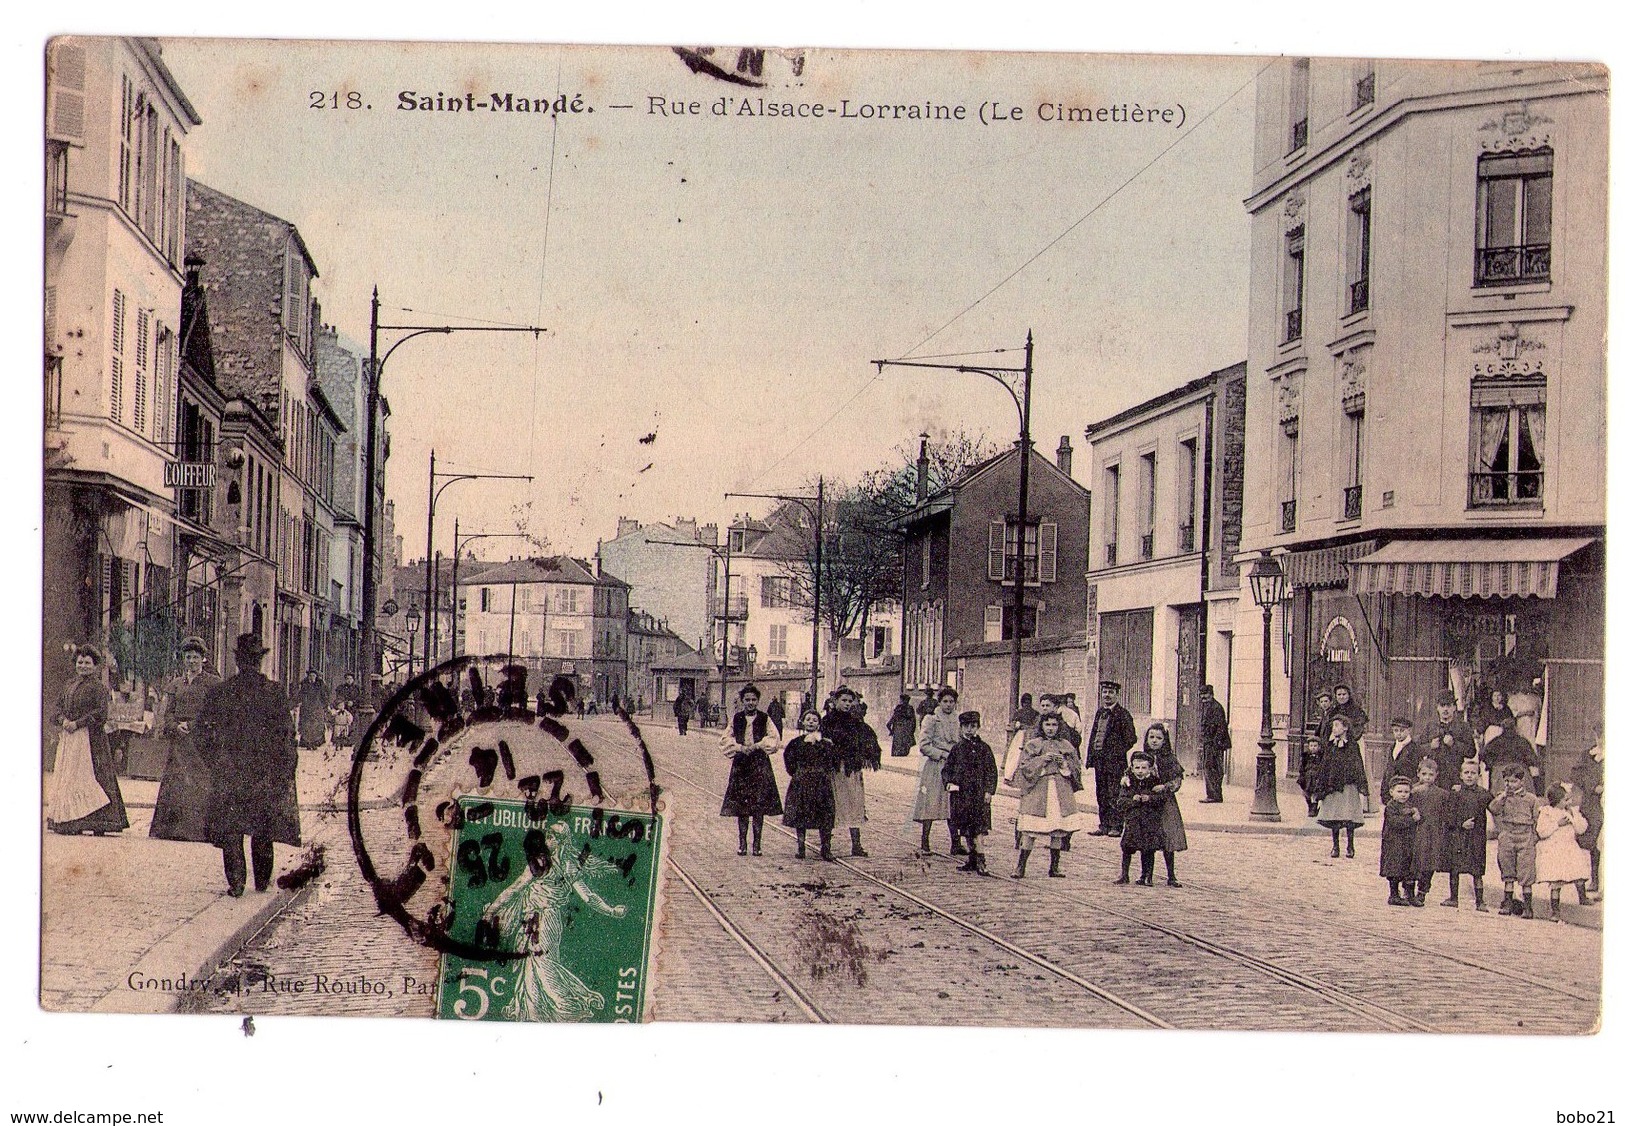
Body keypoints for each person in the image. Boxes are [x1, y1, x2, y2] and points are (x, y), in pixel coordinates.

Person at [479, 819, 628, 1021]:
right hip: (531, 920)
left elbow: (588, 896)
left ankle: (570, 1005)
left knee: (542, 963)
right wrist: (493, 910)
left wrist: (611, 911)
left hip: (545, 920)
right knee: (531, 967)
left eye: (553, 835)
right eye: (547, 833)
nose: (547, 838)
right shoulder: (544, 863)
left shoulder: (564, 866)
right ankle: (536, 1014)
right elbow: (516, 889)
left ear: (562, 841)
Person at [195, 633, 300, 896]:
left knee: (231, 827)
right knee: (262, 827)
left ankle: (237, 882)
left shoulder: (221, 692)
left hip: (230, 770)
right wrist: (284, 769)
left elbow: (201, 733)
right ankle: (262, 882)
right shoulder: (274, 692)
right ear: (259, 661)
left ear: (237, 661)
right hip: (263, 772)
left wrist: (215, 761)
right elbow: (286, 735)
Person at [46, 645, 128, 836]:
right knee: (69, 777)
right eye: (80, 662)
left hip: (91, 740)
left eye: (87, 663)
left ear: (95, 666)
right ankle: (70, 819)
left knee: (91, 776)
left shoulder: (97, 687)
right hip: (69, 738)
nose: (83, 666)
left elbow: (101, 714)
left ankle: (97, 820)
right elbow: (56, 709)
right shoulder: (69, 685)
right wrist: (64, 721)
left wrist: (78, 723)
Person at [150, 636, 221, 842]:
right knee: (177, 783)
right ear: (183, 659)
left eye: (195, 657)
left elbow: (214, 712)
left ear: (203, 659)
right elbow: (168, 713)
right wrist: (174, 725)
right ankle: (174, 830)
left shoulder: (212, 684)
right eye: (188, 657)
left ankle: (199, 831)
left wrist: (192, 725)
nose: (191, 661)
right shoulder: (175, 685)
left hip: (201, 742)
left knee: (200, 783)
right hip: (179, 742)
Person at [1007, 713, 1085, 878]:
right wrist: (1042, 760)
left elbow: (1076, 769)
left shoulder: (1066, 745)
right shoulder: (1033, 745)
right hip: (1039, 790)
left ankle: (1054, 867)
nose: (1051, 728)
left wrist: (1064, 764)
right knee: (1031, 829)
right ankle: (1020, 866)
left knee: (1057, 829)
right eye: (1047, 725)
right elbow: (1025, 767)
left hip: (1060, 790)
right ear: (1041, 726)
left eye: (1054, 725)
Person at [719, 684, 782, 857]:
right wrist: (739, 747)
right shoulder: (737, 718)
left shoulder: (764, 718)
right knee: (742, 807)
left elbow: (774, 739)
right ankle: (742, 844)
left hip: (760, 765)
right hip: (741, 765)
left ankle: (757, 845)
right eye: (747, 700)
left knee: (758, 806)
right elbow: (725, 739)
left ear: (758, 701)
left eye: (754, 700)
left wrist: (758, 745)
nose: (750, 703)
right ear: (742, 701)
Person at [823, 686, 882, 857]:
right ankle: (826, 845)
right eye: (844, 701)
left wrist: (867, 753)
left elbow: (869, 738)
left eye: (850, 701)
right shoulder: (827, 721)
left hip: (851, 770)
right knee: (832, 805)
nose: (847, 704)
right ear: (835, 701)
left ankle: (856, 844)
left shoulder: (856, 722)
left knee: (855, 804)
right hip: (833, 770)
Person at [942, 711, 997, 876]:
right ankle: (972, 859)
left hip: (979, 796)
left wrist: (989, 790)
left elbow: (991, 771)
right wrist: (949, 783)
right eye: (966, 726)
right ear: (961, 728)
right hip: (962, 796)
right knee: (966, 828)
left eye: (973, 726)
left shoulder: (984, 748)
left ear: (978, 727)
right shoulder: (957, 749)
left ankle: (981, 861)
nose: (969, 730)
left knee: (979, 829)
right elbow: (947, 770)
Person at [782, 709, 835, 861]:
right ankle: (801, 846)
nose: (811, 722)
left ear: (819, 724)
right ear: (803, 722)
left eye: (814, 720)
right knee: (801, 814)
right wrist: (798, 773)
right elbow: (789, 761)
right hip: (802, 782)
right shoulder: (796, 743)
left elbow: (832, 762)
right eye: (808, 719)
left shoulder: (825, 743)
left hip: (821, 783)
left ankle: (826, 848)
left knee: (825, 816)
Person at [1441, 758, 1494, 910]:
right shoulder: (1455, 794)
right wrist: (1460, 824)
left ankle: (1480, 901)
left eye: (1473, 773)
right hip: (1458, 836)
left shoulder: (1483, 794)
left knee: (1477, 869)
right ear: (1461, 775)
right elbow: (1448, 816)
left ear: (1478, 776)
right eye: (1466, 773)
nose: (1469, 776)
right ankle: (1453, 898)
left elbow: (1495, 808)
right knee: (1455, 867)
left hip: (1476, 837)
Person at [1085, 680, 1136, 836]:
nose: (1107, 695)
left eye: (1110, 692)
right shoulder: (1100, 712)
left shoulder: (1123, 714)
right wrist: (1090, 757)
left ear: (1117, 695)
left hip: (1115, 763)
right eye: (1105, 692)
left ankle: (1116, 826)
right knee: (1101, 793)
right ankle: (1104, 825)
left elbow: (1131, 738)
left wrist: (1116, 752)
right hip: (1100, 761)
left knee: (1115, 793)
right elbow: (1094, 735)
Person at [1313, 714, 1368, 858]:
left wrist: (1358, 782)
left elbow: (1357, 764)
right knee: (1334, 817)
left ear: (1345, 727)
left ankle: (1350, 846)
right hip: (1333, 786)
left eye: (1337, 725)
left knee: (1349, 817)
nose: (1334, 729)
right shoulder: (1330, 745)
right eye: (1333, 726)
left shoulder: (1352, 745)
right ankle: (1335, 846)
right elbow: (1325, 765)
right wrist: (1322, 784)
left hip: (1348, 786)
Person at [1140, 723, 1188, 887]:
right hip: (1147, 802)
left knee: (1168, 837)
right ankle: (1145, 874)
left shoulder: (1170, 759)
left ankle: (1171, 875)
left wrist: (1165, 787)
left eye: (1159, 738)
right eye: (1151, 737)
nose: (1154, 741)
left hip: (1165, 803)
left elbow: (1177, 780)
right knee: (1147, 837)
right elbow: (1131, 771)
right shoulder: (1142, 757)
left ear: (1164, 740)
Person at [1535, 783, 1591, 923]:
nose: (1569, 802)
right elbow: (1542, 832)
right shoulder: (1546, 812)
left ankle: (1582, 897)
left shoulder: (1571, 812)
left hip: (1571, 847)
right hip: (1555, 850)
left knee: (1579, 872)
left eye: (1569, 799)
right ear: (1556, 801)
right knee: (1556, 880)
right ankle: (1555, 910)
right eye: (1566, 800)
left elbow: (1581, 829)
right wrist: (1557, 824)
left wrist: (1575, 817)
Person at [1489, 765, 1540, 917]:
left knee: (1526, 871)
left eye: (1513, 781)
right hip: (1507, 834)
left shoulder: (1531, 799)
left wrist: (1534, 838)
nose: (1509, 785)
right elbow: (1493, 809)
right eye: (1506, 781)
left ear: (1522, 781)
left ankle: (1528, 907)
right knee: (1507, 868)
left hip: (1525, 836)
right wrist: (1502, 797)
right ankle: (1508, 903)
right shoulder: (1502, 797)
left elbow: (1537, 819)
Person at [912, 687, 959, 853]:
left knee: (953, 804)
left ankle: (956, 843)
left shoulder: (958, 720)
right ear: (939, 702)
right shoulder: (931, 720)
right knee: (930, 803)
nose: (948, 705)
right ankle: (925, 841)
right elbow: (924, 745)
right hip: (936, 767)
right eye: (945, 701)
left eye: (951, 702)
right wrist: (940, 754)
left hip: (954, 768)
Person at [1115, 750, 1166, 886]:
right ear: (1131, 768)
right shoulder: (1127, 783)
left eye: (1144, 768)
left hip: (1149, 822)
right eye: (1137, 768)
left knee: (1148, 849)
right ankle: (1124, 874)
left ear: (1150, 768)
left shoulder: (1155, 782)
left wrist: (1149, 798)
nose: (1140, 771)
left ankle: (1147, 876)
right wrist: (1133, 800)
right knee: (1127, 847)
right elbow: (1120, 802)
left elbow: (1161, 799)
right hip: (1133, 821)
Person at [1380, 775, 1424, 907]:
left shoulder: (1411, 806)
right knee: (1395, 869)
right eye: (1400, 791)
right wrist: (1412, 820)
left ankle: (1410, 894)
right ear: (1392, 792)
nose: (1403, 795)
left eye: (1406, 792)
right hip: (1393, 844)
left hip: (1409, 843)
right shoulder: (1391, 807)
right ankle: (1394, 895)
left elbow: (1419, 821)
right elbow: (1395, 822)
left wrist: (1418, 816)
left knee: (1409, 868)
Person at [1418, 691, 1477, 788]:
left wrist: (1454, 744)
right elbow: (1417, 749)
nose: (1445, 709)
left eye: (1449, 706)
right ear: (1437, 707)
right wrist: (1430, 746)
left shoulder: (1463, 727)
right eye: (1442, 706)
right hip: (1434, 777)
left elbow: (1471, 752)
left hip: (1455, 776)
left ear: (1454, 707)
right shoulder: (1431, 726)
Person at [1409, 758, 1448, 906]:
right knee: (1414, 860)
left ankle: (1423, 891)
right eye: (1424, 774)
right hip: (1417, 831)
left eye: (1430, 775)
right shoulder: (1412, 791)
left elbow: (1445, 813)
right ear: (1418, 773)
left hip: (1433, 832)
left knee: (1430, 862)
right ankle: (1409, 889)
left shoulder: (1441, 794)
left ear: (1436, 775)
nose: (1427, 778)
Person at [1573, 724, 1603, 895]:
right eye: (1598, 736)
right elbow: (1576, 775)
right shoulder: (1588, 755)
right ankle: (1595, 879)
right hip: (1592, 804)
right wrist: (1592, 786)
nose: (1601, 741)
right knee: (1594, 842)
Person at [1482, 724, 1541, 794]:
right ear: (1515, 728)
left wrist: (1490, 765)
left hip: (1500, 774)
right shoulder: (1522, 741)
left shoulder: (1496, 741)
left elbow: (1483, 754)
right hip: (1517, 773)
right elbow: (1533, 760)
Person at [1197, 684, 1230, 804]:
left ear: (1211, 695)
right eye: (1201, 696)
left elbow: (1221, 727)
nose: (1203, 698)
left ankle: (1214, 795)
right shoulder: (1207, 706)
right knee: (1210, 768)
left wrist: (1215, 744)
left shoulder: (1216, 707)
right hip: (1209, 743)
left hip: (1214, 744)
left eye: (1205, 695)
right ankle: (1213, 794)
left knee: (1211, 768)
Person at [1380, 716, 1421, 804]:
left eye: (1402, 730)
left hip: (1405, 787)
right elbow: (1389, 768)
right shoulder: (1392, 747)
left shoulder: (1414, 748)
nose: (1399, 733)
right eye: (1396, 730)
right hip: (1393, 786)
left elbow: (1416, 769)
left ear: (1409, 730)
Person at [294, 665, 331, 749]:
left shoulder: (320, 686)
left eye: (314, 676)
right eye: (310, 676)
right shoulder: (304, 685)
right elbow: (300, 695)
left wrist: (326, 706)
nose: (312, 677)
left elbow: (324, 696)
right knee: (306, 726)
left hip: (317, 708)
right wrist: (297, 702)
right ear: (308, 677)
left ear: (316, 677)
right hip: (306, 708)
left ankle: (316, 742)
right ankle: (307, 742)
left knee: (317, 726)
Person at [886, 693, 917, 758]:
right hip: (906, 732)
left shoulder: (899, 708)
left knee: (897, 753)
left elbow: (892, 719)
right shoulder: (909, 708)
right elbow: (913, 721)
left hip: (898, 731)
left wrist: (891, 729)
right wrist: (912, 731)